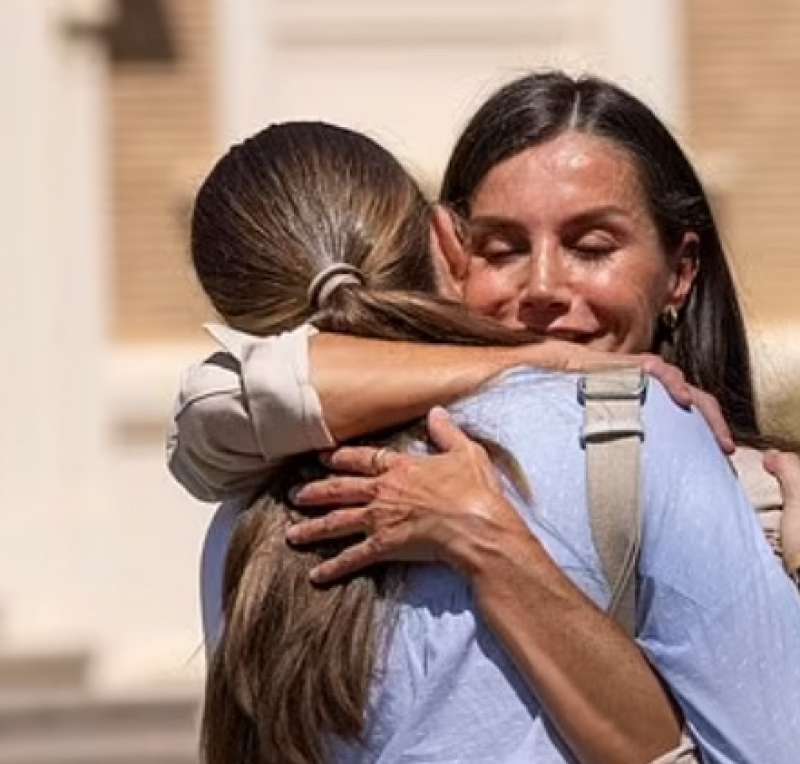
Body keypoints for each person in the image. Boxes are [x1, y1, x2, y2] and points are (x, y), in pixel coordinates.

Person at [184, 119, 800, 764]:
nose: (543, 289)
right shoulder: (637, 432)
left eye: (591, 245)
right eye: (502, 249)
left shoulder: (240, 536)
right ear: (450, 244)